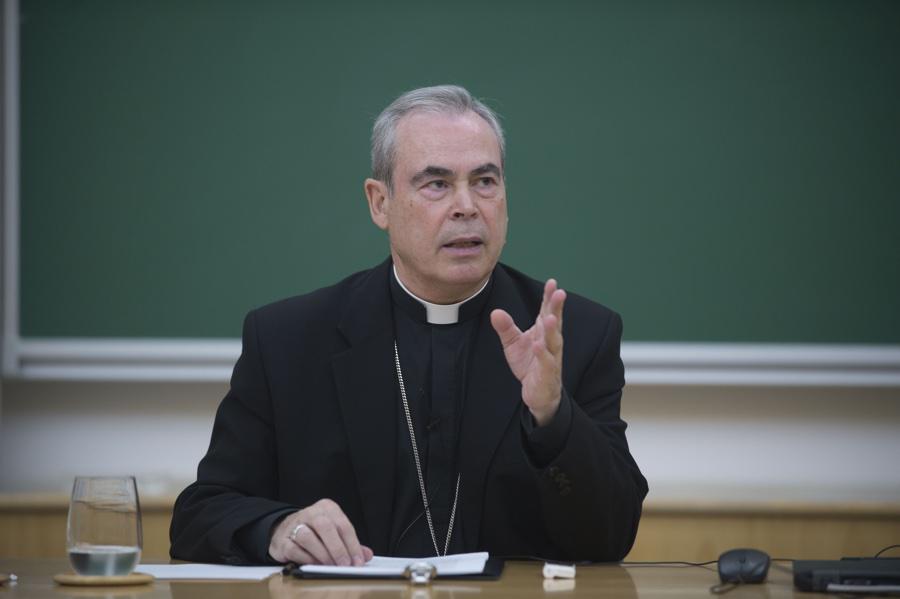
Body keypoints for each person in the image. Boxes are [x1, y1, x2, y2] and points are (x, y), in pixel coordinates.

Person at [169, 85, 647, 566]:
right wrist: (277, 529)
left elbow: (610, 537)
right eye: (436, 184)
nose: (467, 206)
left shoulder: (576, 335)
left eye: (484, 181)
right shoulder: (287, 341)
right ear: (380, 203)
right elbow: (200, 516)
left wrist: (552, 416)